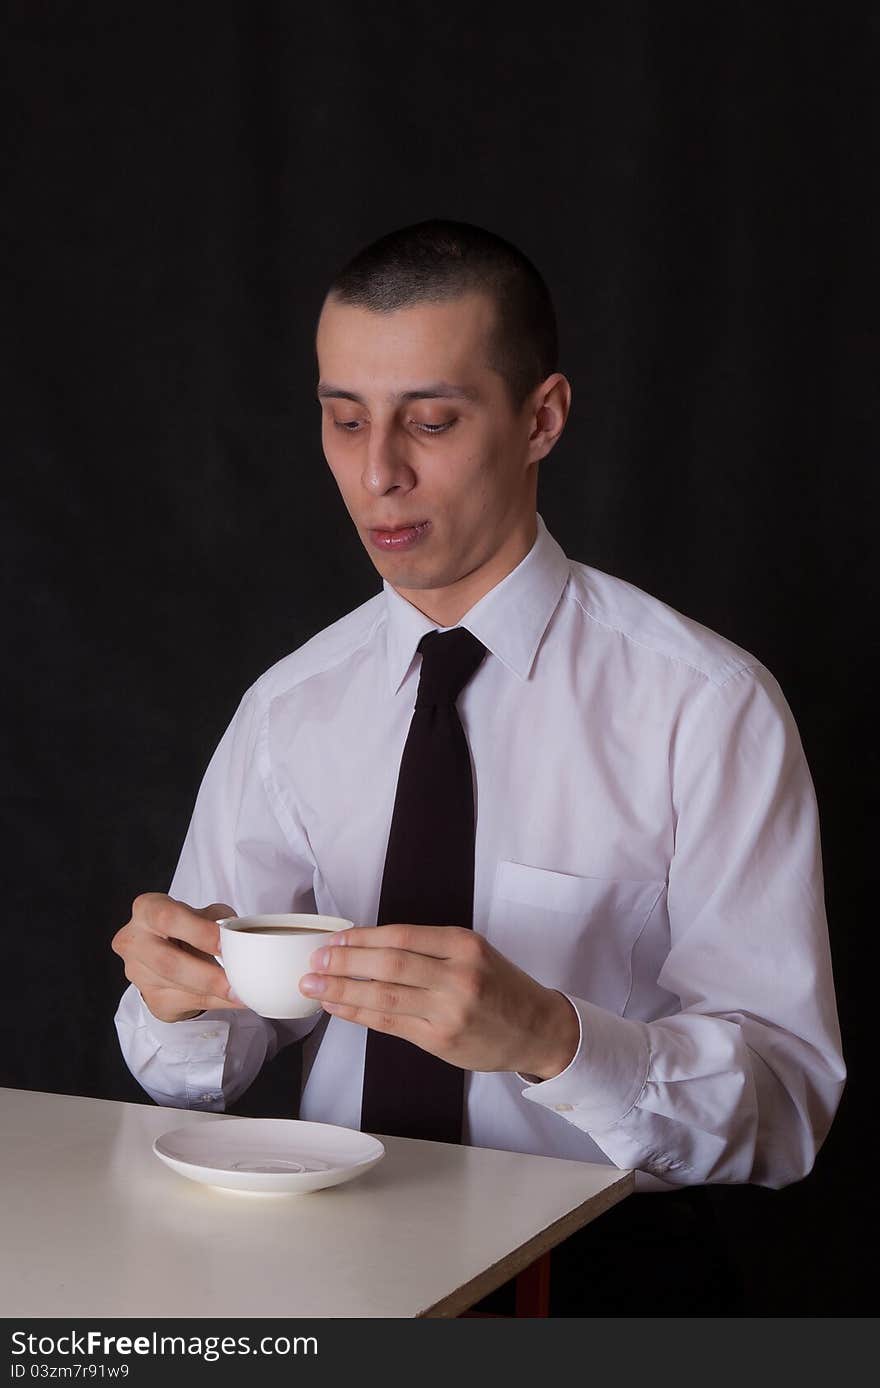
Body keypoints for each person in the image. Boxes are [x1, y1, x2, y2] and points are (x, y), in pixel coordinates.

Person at [112, 219, 845, 1314]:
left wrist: (555, 1038)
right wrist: (176, 1002)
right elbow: (199, 1065)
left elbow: (785, 1110)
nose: (377, 472)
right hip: (321, 1274)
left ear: (540, 417)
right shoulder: (288, 707)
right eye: (343, 418)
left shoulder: (705, 705)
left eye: (432, 420)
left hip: (604, 1280)